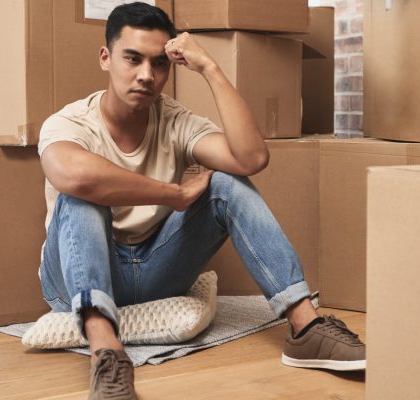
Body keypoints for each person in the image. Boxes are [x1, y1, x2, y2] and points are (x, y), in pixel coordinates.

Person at [37, 2, 365, 399]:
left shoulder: (175, 121)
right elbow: (73, 175)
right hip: (72, 280)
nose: (146, 75)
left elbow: (252, 158)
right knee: (80, 196)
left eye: (159, 64)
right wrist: (173, 195)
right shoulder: (69, 122)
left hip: (155, 271)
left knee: (226, 183)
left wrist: (210, 68)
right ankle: (108, 355)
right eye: (132, 59)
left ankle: (305, 326)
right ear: (106, 58)